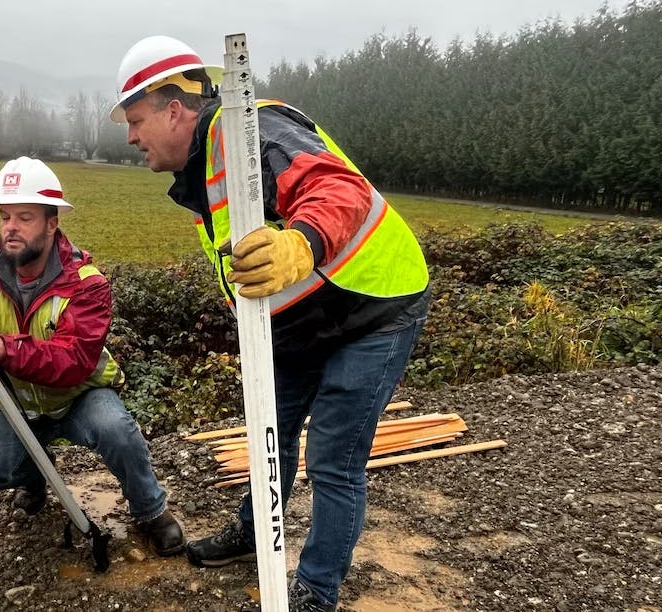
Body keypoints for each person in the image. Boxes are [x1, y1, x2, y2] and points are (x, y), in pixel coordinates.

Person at [109, 36, 431, 610]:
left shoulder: (253, 128)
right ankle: (255, 532)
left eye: (135, 119)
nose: (131, 136)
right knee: (268, 431)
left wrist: (302, 243)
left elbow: (337, 188)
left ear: (173, 109)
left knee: (332, 457)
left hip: (375, 306)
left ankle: (316, 588)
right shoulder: (204, 164)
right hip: (303, 321)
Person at [0, 156, 184, 557]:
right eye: (4, 217)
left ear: (53, 223)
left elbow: (73, 361)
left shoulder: (87, 284)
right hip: (13, 403)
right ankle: (34, 471)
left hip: (78, 397)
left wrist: (1, 347)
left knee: (117, 431)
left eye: (25, 217)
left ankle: (152, 512)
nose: (10, 228)